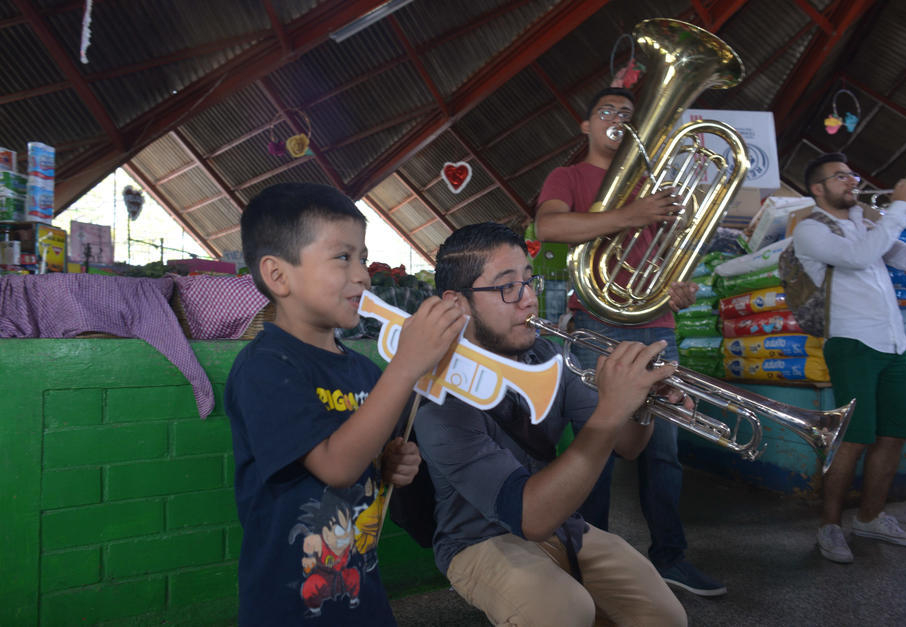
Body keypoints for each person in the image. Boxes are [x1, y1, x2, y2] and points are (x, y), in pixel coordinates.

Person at [414, 222, 688, 626]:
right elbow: (530, 517)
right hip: (478, 541)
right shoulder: (439, 398)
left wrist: (644, 406)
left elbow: (628, 446)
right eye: (507, 287)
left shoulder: (550, 356)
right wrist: (612, 409)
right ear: (458, 303)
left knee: (666, 617)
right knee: (564, 610)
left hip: (563, 528)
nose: (529, 300)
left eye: (529, 281)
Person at [224, 182, 465, 625]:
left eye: (363, 258)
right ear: (278, 276)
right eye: (342, 257)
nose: (363, 276)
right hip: (289, 609)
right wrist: (406, 366)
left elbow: (364, 461)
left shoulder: (365, 372)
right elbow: (336, 466)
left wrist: (390, 464)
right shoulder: (264, 367)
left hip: (364, 597)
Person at [534, 86, 725, 597]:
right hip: (597, 324)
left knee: (664, 452)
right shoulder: (569, 177)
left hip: (657, 324)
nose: (617, 119)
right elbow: (548, 225)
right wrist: (629, 215)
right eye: (607, 111)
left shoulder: (653, 187)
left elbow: (668, 255)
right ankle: (591, 560)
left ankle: (670, 557)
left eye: (627, 114)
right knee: (594, 445)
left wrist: (677, 286)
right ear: (586, 125)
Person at [793, 153, 906, 564]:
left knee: (893, 435)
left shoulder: (867, 223)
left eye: (852, 174)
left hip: (892, 344)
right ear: (818, 189)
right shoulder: (811, 230)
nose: (851, 181)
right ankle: (829, 525)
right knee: (853, 438)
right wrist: (901, 207)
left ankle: (870, 518)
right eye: (840, 177)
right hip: (852, 343)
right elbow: (857, 256)